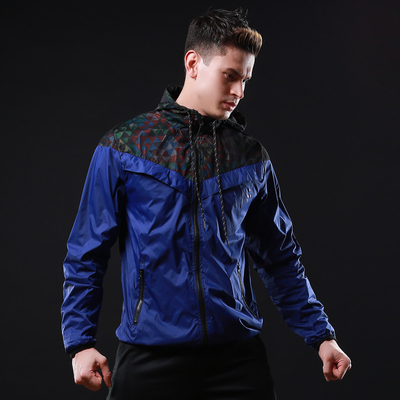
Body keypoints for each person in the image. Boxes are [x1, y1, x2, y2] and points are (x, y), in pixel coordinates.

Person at [61, 8, 351, 399]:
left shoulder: (249, 157)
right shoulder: (124, 148)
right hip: (149, 359)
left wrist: (321, 336)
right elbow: (86, 252)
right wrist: (80, 343)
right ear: (193, 63)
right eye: (230, 76)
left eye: (245, 80)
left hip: (237, 362)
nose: (239, 91)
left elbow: (280, 258)